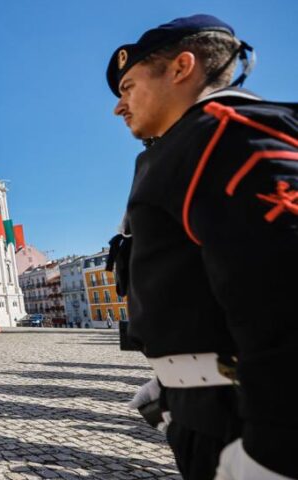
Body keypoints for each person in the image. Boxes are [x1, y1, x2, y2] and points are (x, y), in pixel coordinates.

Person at [107, 14, 297, 480]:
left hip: (244, 422)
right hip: (203, 406)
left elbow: (285, 289)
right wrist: (174, 375)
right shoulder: (188, 143)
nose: (120, 106)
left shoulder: (230, 134)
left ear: (181, 68)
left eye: (128, 86)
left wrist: (274, 453)